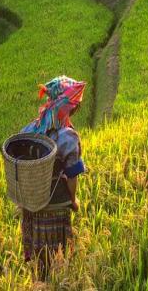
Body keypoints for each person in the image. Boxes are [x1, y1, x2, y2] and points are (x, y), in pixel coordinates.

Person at [18, 76, 87, 278]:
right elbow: (72, 174)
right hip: (56, 205)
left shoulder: (30, 130)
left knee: (40, 262)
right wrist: (73, 201)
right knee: (57, 261)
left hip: (32, 205)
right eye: (74, 107)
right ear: (67, 107)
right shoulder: (67, 136)